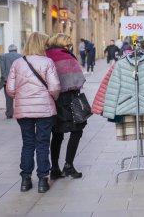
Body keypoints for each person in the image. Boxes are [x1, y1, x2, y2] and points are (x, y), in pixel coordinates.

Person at [6, 32, 60, 193]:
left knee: (28, 143)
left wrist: (21, 97)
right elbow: (55, 87)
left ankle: (25, 180)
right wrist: (52, 98)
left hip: (24, 110)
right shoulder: (48, 62)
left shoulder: (17, 63)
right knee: (42, 144)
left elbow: (10, 89)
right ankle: (43, 181)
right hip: (44, 109)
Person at [46, 33, 86, 180]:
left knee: (57, 133)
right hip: (69, 99)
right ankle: (69, 165)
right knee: (77, 130)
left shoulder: (46, 55)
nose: (70, 46)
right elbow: (79, 79)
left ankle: (54, 168)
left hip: (52, 99)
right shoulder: (67, 56)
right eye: (68, 43)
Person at [0, 44, 22, 119]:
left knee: (8, 98)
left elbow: (2, 69)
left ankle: (9, 114)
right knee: (20, 97)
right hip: (19, 80)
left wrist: (4, 78)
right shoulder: (21, 56)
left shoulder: (3, 56)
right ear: (16, 50)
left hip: (7, 80)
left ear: (8, 50)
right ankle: (20, 112)